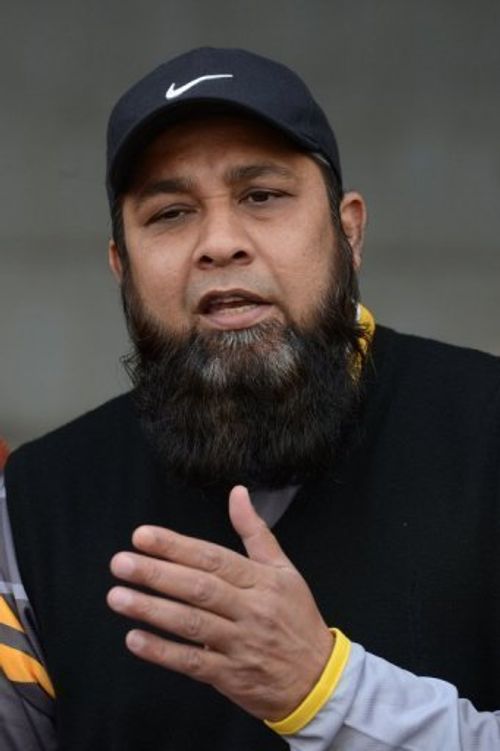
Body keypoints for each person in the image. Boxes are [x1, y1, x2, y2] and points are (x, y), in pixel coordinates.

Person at [2, 47, 500, 750]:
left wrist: (327, 692)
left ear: (349, 231)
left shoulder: (486, 430)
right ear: (121, 265)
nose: (220, 243)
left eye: (261, 195)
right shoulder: (32, 504)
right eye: (170, 212)